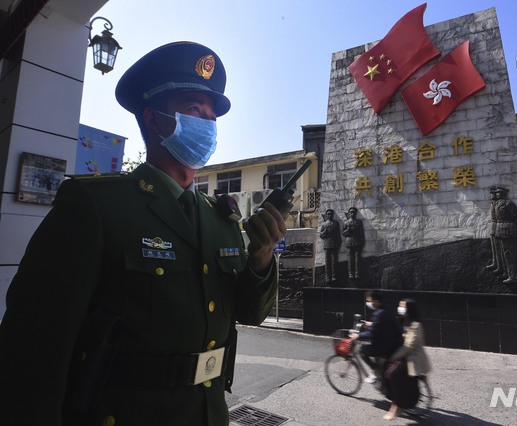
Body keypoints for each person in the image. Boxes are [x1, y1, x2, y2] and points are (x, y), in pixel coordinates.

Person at [0, 42, 286, 426]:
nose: (206, 124)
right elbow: (33, 349)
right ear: (154, 119)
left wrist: (263, 257)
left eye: (211, 115)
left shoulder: (222, 220)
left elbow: (251, 312)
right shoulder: (96, 206)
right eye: (193, 110)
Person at [384, 298, 433, 420]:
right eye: (399, 306)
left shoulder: (416, 325)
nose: (400, 308)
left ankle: (397, 406)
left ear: (409, 309)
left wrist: (395, 355)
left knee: (395, 375)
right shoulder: (402, 321)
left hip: (413, 358)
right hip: (403, 355)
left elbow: (409, 346)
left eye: (403, 306)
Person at [356, 290, 403, 383]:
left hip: (384, 346)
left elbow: (372, 334)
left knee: (361, 350)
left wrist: (358, 335)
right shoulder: (387, 309)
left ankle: (376, 370)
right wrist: (372, 324)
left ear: (376, 301)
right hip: (394, 342)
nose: (368, 303)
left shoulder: (377, 314)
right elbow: (384, 325)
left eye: (369, 300)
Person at [494, 186, 517, 284]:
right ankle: (507, 273)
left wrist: (510, 226)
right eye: (497, 192)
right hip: (500, 231)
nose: (497, 194)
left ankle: (513, 276)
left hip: (508, 231)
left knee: (511, 254)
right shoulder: (497, 203)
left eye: (499, 192)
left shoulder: (508, 203)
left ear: (504, 193)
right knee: (505, 253)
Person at [319, 208, 341, 284]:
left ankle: (334, 276)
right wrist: (324, 232)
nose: (329, 215)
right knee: (327, 263)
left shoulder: (336, 223)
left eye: (331, 214)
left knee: (334, 262)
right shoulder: (324, 224)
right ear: (326, 215)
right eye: (328, 214)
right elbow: (321, 235)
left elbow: (338, 235)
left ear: (332, 215)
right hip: (327, 245)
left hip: (334, 245)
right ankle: (328, 277)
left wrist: (338, 243)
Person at [342, 206, 365, 279]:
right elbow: (343, 233)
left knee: (357, 259)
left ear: (356, 213)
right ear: (349, 213)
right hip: (349, 243)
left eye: (354, 212)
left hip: (357, 242)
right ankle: (350, 273)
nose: (352, 213)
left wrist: (362, 242)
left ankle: (357, 273)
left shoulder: (359, 222)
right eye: (351, 212)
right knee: (350, 259)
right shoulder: (346, 223)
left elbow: (361, 233)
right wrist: (347, 230)